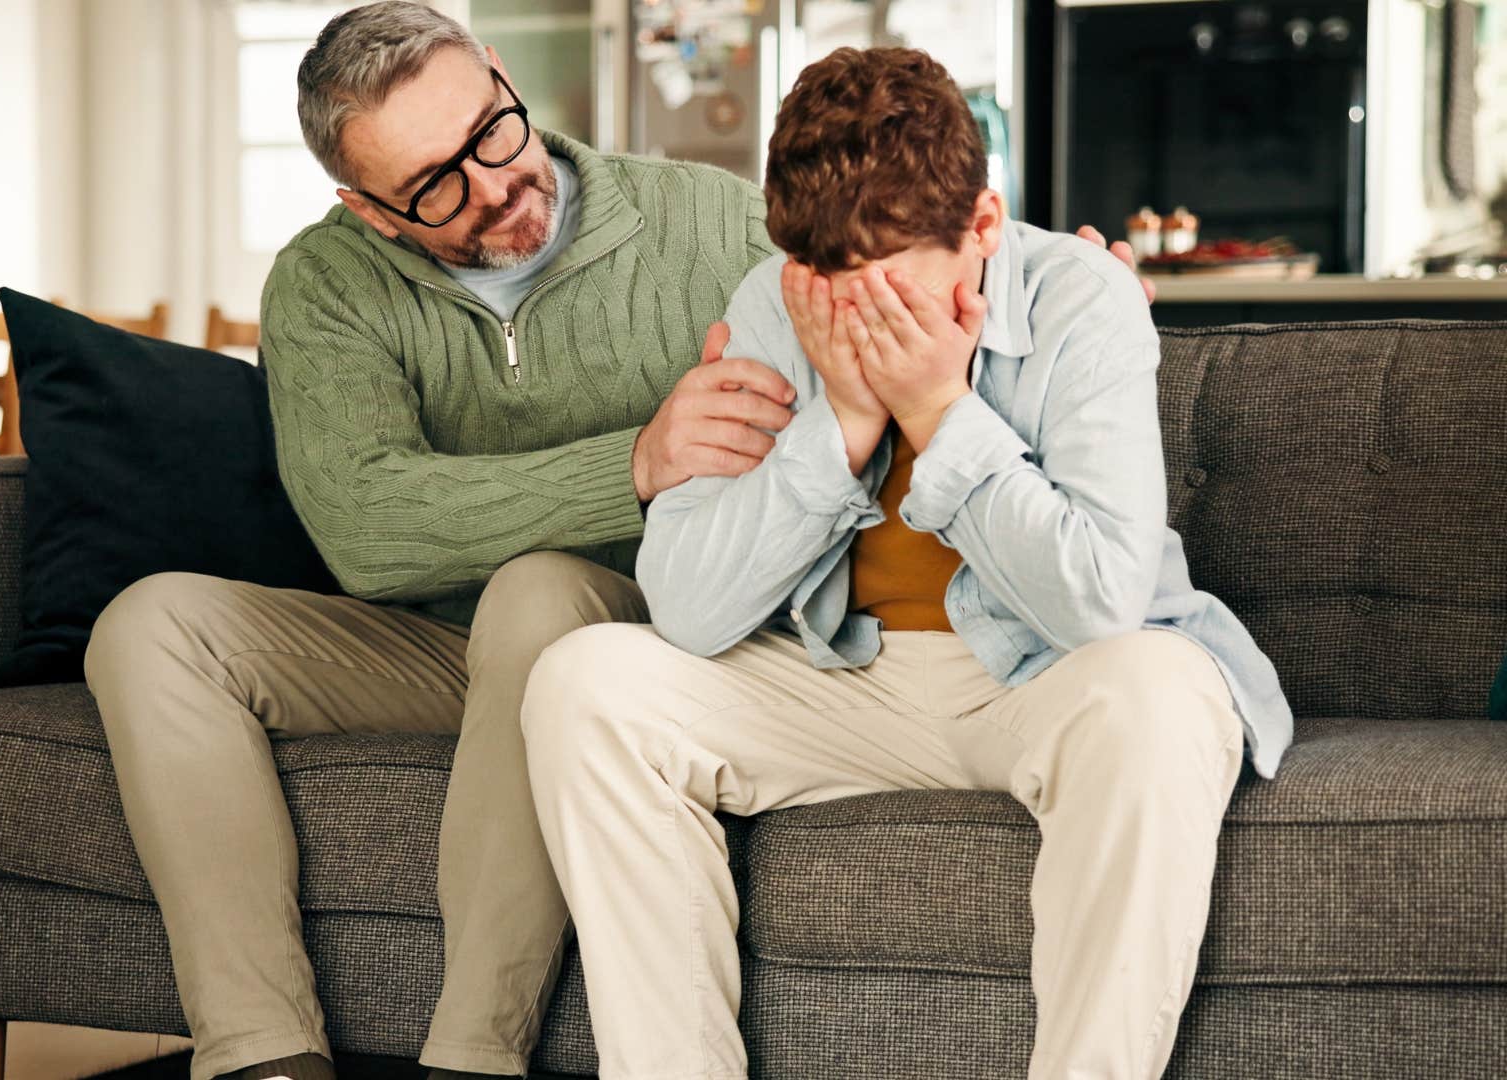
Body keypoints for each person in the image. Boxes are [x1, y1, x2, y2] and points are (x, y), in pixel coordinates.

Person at [83, 7, 1154, 1079]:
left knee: (539, 595)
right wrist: (633, 465)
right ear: (368, 210)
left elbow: (912, 260)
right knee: (149, 627)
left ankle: (471, 1057)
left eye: (492, 132)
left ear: (503, 80)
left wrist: (1075, 290)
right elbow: (365, 528)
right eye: (435, 187)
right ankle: (261, 1055)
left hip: (604, 611)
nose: (494, 183)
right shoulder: (323, 284)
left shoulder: (708, 222)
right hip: (419, 644)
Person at [521, 47, 1293, 1080]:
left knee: (1160, 693)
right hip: (844, 686)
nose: (847, 318)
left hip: (1047, 680)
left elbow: (1103, 605)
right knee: (586, 681)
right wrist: (841, 422)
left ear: (980, 227)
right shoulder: (777, 301)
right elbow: (691, 612)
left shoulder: (1080, 302)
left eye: (884, 291)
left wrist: (938, 412)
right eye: (823, 283)